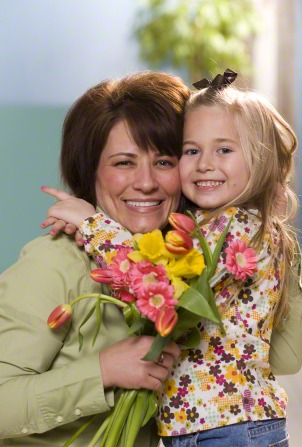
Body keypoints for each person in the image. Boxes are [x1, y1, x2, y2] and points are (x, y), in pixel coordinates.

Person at [41, 71, 300, 447]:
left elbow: (159, 288)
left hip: (229, 426)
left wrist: (93, 224)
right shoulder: (210, 224)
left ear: (259, 159)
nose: (204, 164)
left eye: (224, 150)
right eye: (191, 151)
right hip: (212, 424)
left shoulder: (235, 227)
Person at [0, 71, 190, 446]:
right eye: (124, 163)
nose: (147, 182)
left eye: (165, 161)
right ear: (90, 171)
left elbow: (284, 357)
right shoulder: (55, 262)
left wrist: (269, 227)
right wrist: (102, 371)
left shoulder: (185, 268)